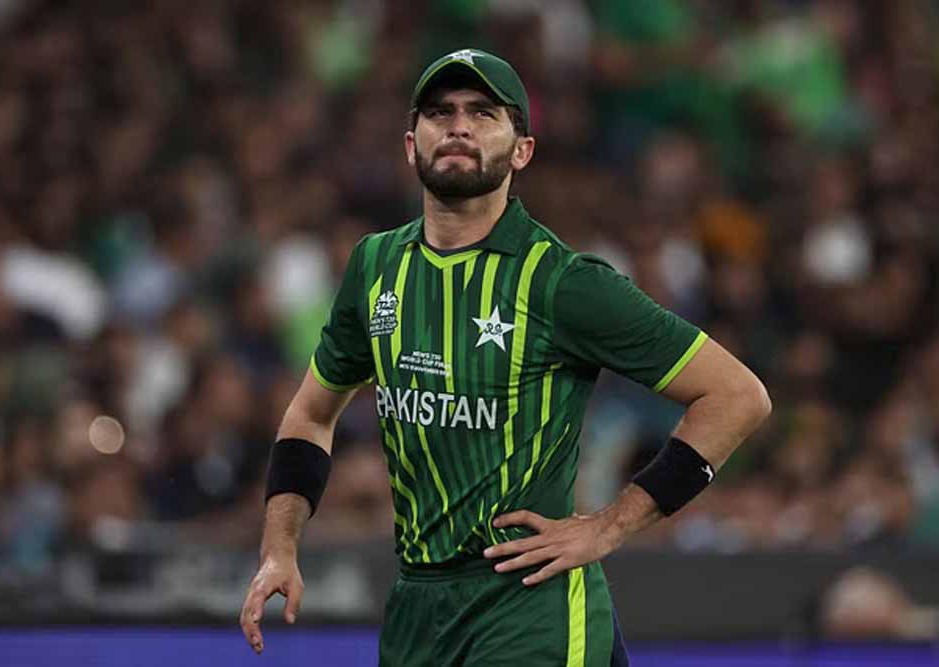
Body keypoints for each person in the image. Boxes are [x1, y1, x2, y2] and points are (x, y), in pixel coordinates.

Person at [240, 48, 771, 666]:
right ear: (411, 145)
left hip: (529, 605)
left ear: (522, 151)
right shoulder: (375, 265)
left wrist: (610, 525)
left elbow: (737, 396)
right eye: (440, 113)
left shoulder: (563, 281)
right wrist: (279, 548)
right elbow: (310, 416)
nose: (458, 126)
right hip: (416, 608)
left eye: (483, 113)